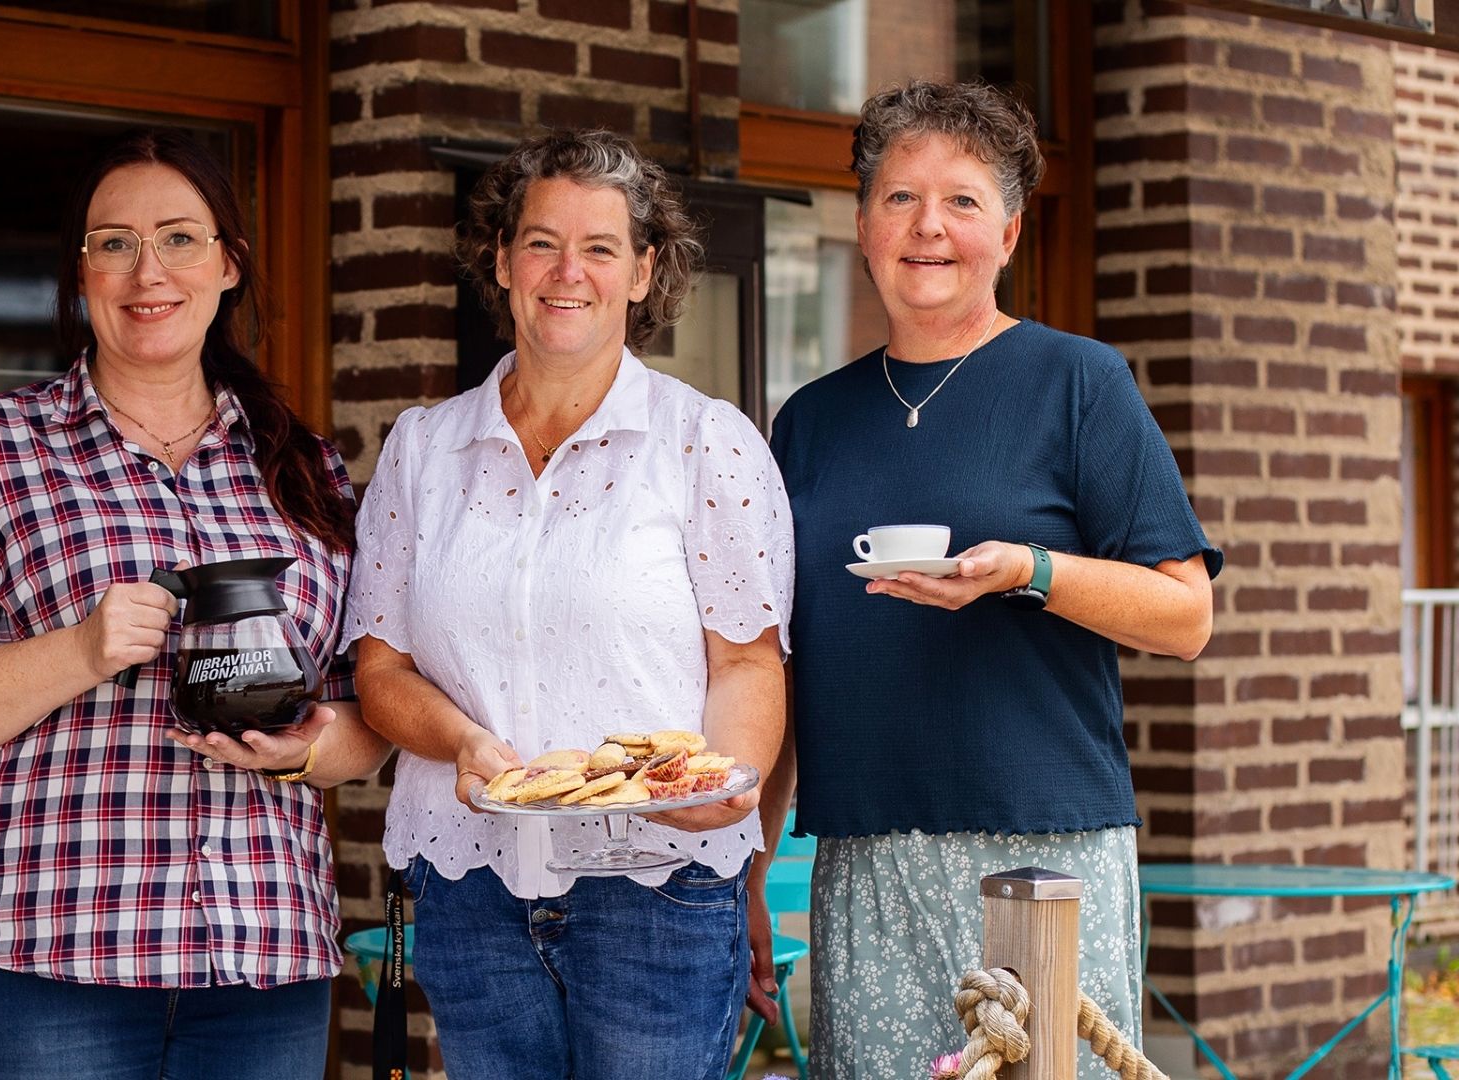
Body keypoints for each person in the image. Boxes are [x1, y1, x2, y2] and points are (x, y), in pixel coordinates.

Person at [0, 129, 389, 1080]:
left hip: (260, 963)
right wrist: (79, 650)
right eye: (114, 243)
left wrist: (303, 747)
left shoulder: (305, 467)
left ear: (228, 265)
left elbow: (368, 719)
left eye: (180, 239)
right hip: (45, 968)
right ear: (81, 274)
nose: (148, 270)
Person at [754, 80, 1221, 1079]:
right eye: (898, 198)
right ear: (863, 224)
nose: (928, 226)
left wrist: (1033, 571)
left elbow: (1186, 616)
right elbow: (782, 668)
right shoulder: (808, 421)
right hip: (865, 859)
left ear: (1008, 233)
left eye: (962, 201)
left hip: (1045, 861)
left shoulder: (1080, 384)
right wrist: (752, 872)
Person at [344, 129, 795, 1080]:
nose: (567, 272)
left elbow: (749, 663)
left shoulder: (705, 444)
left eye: (600, 248)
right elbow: (379, 671)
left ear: (644, 270)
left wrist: (724, 789)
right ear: (502, 261)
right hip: (471, 880)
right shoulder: (423, 452)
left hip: (656, 886)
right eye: (542, 242)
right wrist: (460, 741)